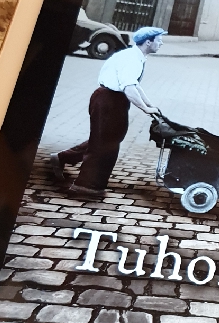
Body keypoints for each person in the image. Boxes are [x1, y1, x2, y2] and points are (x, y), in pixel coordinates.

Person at [50, 26, 165, 199]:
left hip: (113, 100)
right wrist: (145, 108)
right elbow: (129, 87)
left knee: (107, 139)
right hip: (108, 100)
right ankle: (85, 187)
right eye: (159, 40)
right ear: (148, 42)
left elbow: (135, 85)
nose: (161, 43)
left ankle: (62, 158)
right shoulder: (132, 59)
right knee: (103, 144)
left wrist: (149, 104)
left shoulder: (136, 56)